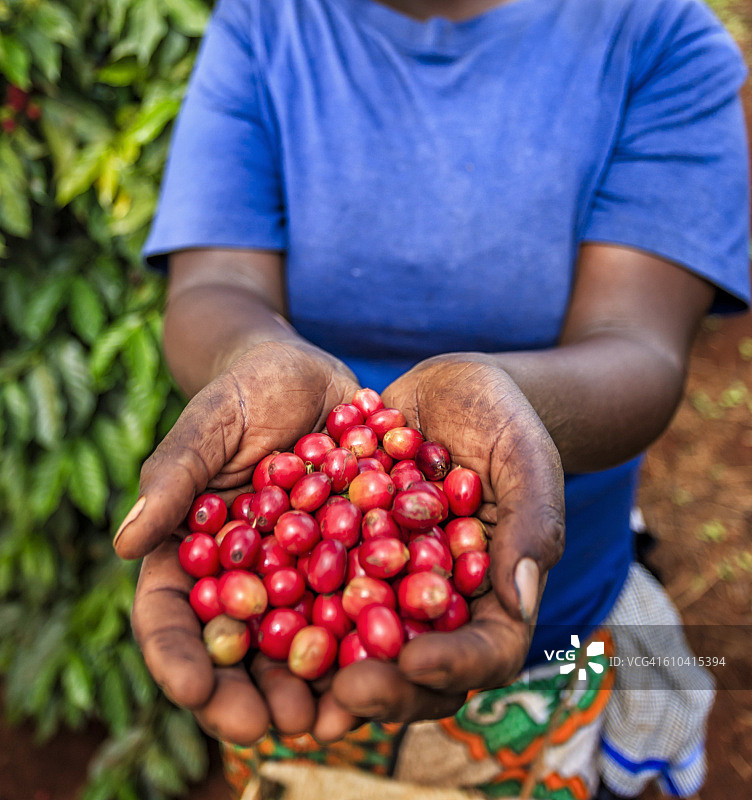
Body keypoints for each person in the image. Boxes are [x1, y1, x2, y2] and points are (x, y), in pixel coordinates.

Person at [112, 0, 750, 797]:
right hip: (309, 676)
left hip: (547, 606)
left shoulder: (658, 37)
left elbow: (643, 347)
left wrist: (510, 402)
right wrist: (254, 359)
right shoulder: (266, 24)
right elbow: (213, 283)